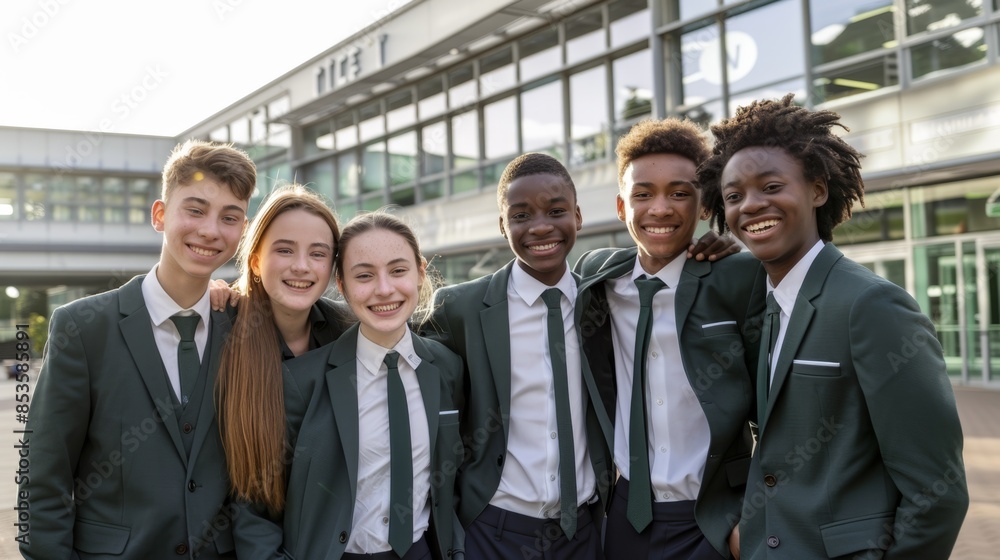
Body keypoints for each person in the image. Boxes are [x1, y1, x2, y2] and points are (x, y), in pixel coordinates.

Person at [699, 94, 969, 559]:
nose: (751, 205)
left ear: (818, 190)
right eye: (734, 196)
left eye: (771, 185)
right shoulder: (765, 307)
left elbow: (938, 492)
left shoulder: (871, 305)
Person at [20, 139, 257, 559]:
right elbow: (43, 478)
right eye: (196, 209)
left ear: (241, 231)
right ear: (160, 215)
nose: (210, 230)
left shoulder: (245, 328)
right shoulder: (82, 328)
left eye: (229, 217)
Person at [574, 118, 764, 560]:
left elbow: (776, 409)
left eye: (680, 193)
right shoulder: (595, 279)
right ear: (622, 207)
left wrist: (751, 516)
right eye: (643, 194)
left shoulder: (738, 279)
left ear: (703, 206)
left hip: (715, 517)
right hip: (624, 516)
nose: (660, 208)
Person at [233, 211, 465, 560]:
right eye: (364, 275)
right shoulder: (301, 380)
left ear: (420, 272)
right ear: (341, 285)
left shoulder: (446, 366)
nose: (384, 289)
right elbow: (255, 506)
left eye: (398, 271)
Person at [215, 183, 349, 519]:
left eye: (317, 253)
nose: (302, 266)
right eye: (285, 250)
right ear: (256, 261)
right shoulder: (219, 331)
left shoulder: (348, 332)